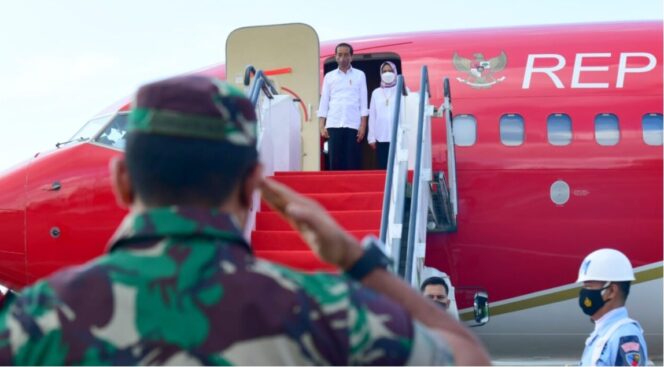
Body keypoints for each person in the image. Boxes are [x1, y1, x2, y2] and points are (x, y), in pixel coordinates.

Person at [0, 75, 490, 365]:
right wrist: (356, 260)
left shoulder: (34, 321)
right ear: (254, 181)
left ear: (123, 181)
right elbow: (467, 356)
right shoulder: (324, 313)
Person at [577, 248, 648, 366]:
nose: (583, 293)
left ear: (611, 291)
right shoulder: (603, 334)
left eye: (588, 287)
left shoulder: (625, 336)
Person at [318, 42, 368, 170]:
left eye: (346, 55)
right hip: (334, 123)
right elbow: (324, 101)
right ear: (335, 56)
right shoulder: (329, 77)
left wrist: (363, 126)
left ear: (351, 57)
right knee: (335, 163)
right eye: (339, 54)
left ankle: (354, 189)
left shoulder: (360, 75)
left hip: (353, 124)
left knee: (353, 162)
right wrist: (321, 125)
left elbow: (363, 102)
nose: (343, 58)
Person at [368, 61, 399, 169]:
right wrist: (371, 137)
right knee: (383, 167)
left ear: (395, 72)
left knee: (397, 167)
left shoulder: (401, 90)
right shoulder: (376, 93)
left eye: (390, 71)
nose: (387, 73)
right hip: (381, 137)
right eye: (384, 71)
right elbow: (372, 115)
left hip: (398, 136)